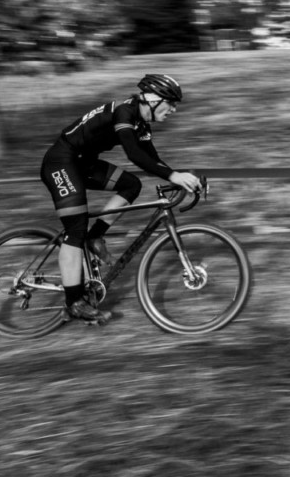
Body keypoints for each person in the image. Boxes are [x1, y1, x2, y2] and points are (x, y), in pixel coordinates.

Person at [39, 73, 202, 325]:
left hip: (84, 164)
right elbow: (134, 154)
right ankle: (74, 304)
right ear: (152, 98)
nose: (173, 109)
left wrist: (180, 179)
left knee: (131, 184)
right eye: (170, 102)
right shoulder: (124, 113)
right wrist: (173, 176)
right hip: (61, 162)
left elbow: (152, 160)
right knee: (76, 227)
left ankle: (96, 236)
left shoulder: (142, 125)